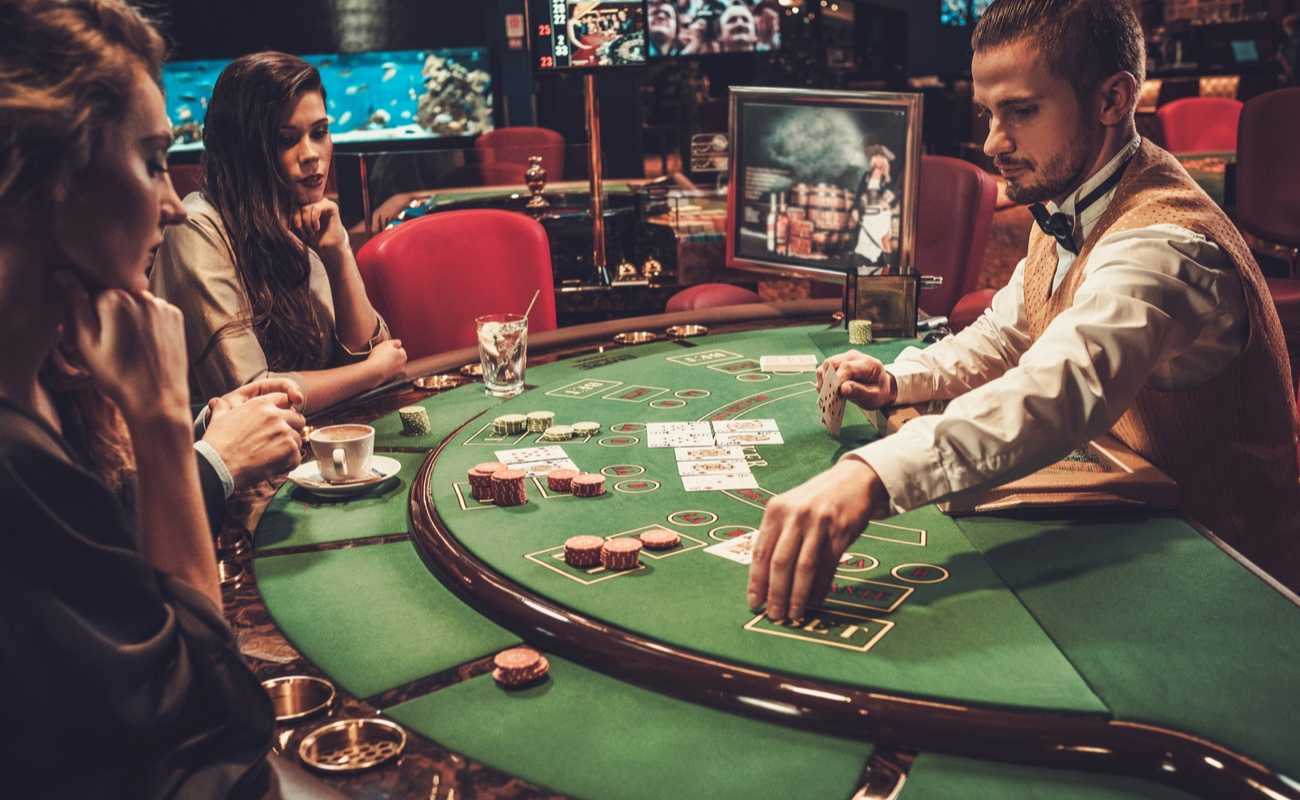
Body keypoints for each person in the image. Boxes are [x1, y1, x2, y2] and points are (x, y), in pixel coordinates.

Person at [747, 0, 1300, 622]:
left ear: (1113, 100)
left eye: (1022, 111)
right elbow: (1009, 331)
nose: (992, 142)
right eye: (988, 113)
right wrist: (903, 379)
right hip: (1134, 522)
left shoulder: (1163, 244)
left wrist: (871, 476)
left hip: (1227, 571)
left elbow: (1056, 391)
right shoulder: (1071, 193)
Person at [0, 0, 277, 794]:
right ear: (49, 175)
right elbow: (217, 732)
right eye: (153, 160)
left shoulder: (46, 390)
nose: (174, 203)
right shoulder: (14, 463)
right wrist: (161, 427)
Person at [150, 51, 407, 414]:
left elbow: (379, 357)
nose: (311, 155)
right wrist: (370, 372)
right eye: (287, 140)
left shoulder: (302, 218)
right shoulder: (197, 226)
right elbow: (254, 399)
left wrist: (339, 256)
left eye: (319, 133)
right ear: (246, 149)